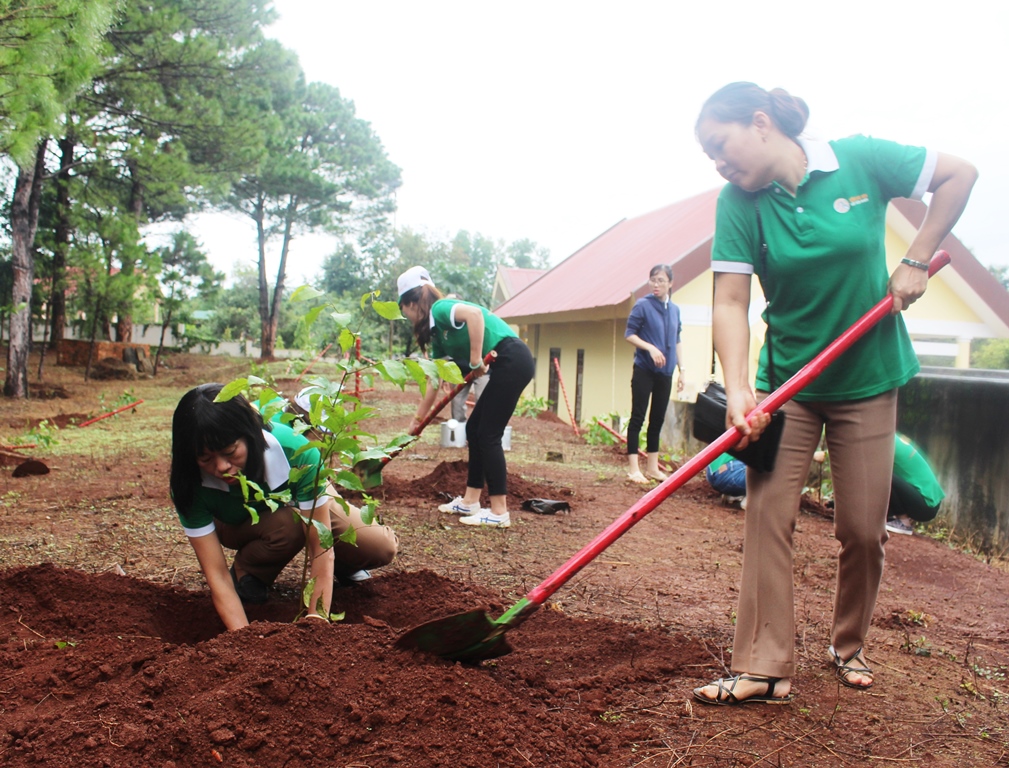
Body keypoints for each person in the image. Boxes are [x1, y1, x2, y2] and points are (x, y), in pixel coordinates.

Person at [691, 82, 976, 705]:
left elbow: (959, 173)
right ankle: (764, 664)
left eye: (720, 144)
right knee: (768, 515)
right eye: (709, 154)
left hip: (868, 377)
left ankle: (848, 644)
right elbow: (731, 299)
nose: (717, 161)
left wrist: (917, 259)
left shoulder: (858, 159)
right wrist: (739, 389)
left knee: (863, 529)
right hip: (787, 383)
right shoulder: (739, 203)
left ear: (761, 122)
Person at [170, 384, 399, 630]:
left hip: (298, 493)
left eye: (230, 452)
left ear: (250, 433)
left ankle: (345, 563)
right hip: (243, 522)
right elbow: (216, 575)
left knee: (378, 546)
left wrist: (316, 620)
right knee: (290, 523)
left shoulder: (297, 451)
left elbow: (320, 546)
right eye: (205, 459)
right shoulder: (189, 484)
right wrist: (243, 638)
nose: (221, 467)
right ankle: (250, 572)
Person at [398, 266, 534, 528]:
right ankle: (471, 500)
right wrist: (417, 420)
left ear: (413, 302)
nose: (405, 314)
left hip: (512, 358)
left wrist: (474, 360)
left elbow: (474, 314)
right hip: (504, 364)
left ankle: (498, 511)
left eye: (404, 308)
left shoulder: (441, 308)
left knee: (488, 434)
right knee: (474, 428)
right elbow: (434, 379)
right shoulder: (437, 334)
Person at [624, 264, 685, 483]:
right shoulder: (643, 306)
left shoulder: (675, 310)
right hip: (644, 370)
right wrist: (649, 348)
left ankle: (652, 467)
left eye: (660, 280)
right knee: (638, 417)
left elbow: (677, 340)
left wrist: (682, 370)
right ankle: (633, 469)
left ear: (670, 283)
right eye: (653, 280)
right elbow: (629, 334)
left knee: (657, 419)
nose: (656, 284)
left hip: (665, 373)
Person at [886, 433, 945, 535]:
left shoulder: (883, 442)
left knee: (882, 475)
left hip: (925, 504)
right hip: (926, 501)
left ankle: (903, 522)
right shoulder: (889, 436)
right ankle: (893, 517)